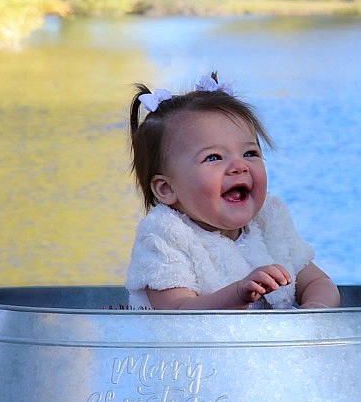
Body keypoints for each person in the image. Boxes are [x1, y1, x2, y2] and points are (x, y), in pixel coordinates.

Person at [125, 72, 340, 311]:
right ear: (167, 189)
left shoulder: (268, 220)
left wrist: (315, 309)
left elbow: (319, 282)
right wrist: (237, 295)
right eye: (213, 157)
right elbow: (176, 312)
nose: (239, 166)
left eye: (250, 153)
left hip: (277, 346)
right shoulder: (164, 235)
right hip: (192, 349)